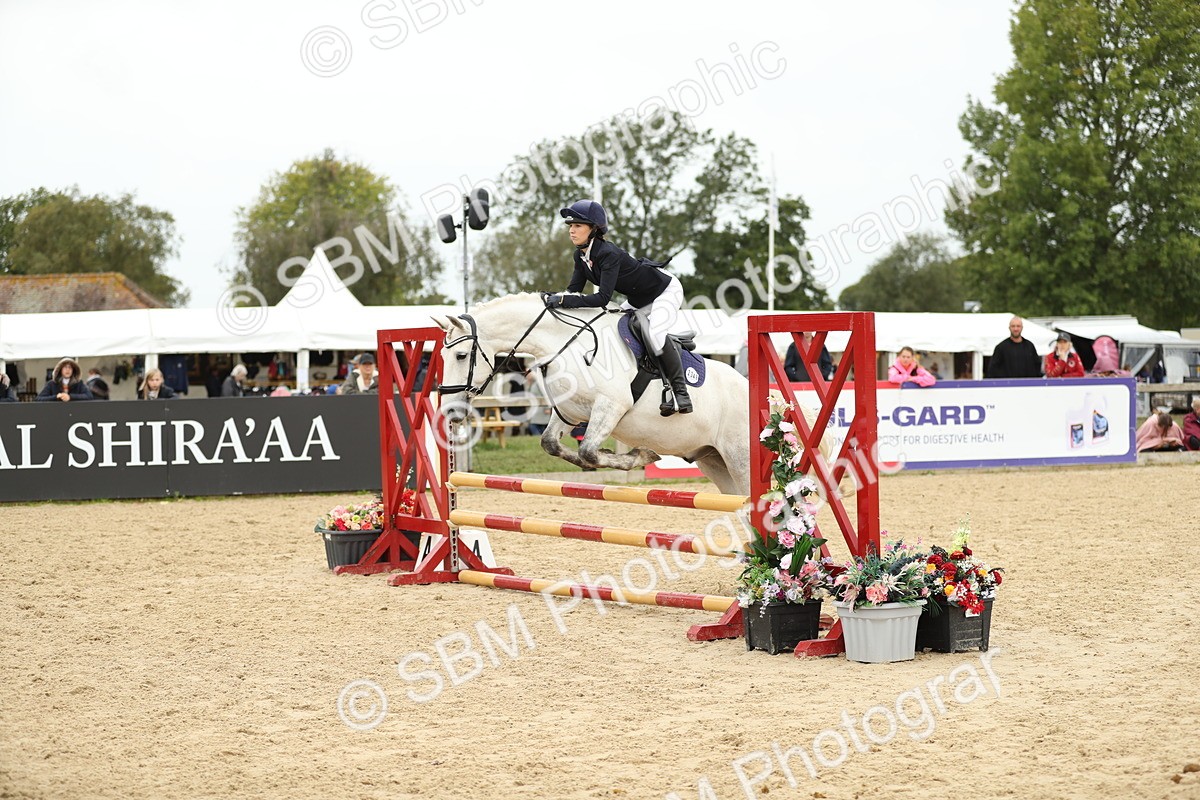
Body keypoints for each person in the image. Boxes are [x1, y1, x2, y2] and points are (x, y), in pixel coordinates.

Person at [545, 199, 691, 415]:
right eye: (570, 226)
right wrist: (553, 300)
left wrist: (564, 301)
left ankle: (681, 392)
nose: (572, 231)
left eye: (578, 226)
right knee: (612, 328)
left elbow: (603, 298)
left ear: (593, 229)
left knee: (656, 333)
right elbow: (573, 291)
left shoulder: (607, 253)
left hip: (664, 290)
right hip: (638, 298)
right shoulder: (581, 255)